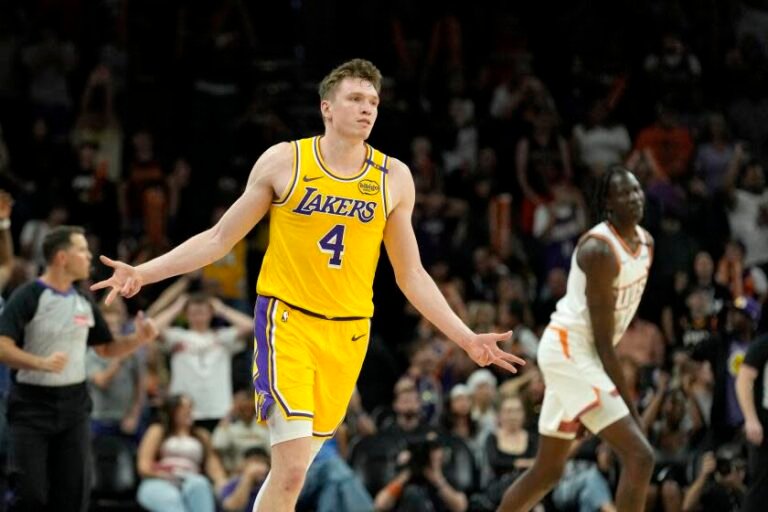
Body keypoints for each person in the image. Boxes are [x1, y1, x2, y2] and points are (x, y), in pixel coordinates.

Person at [91, 58, 525, 512]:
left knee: (295, 471)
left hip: (349, 332)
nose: (367, 109)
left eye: (373, 101)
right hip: (287, 322)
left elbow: (410, 274)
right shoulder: (286, 160)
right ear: (327, 108)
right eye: (355, 99)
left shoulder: (392, 177)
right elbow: (220, 238)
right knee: (294, 466)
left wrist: (466, 338)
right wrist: (144, 273)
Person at [498, 165, 656, 512]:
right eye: (624, 192)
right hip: (571, 351)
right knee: (640, 455)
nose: (635, 197)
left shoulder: (646, 243)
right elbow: (601, 342)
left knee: (548, 471)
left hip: (585, 355)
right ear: (607, 204)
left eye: (636, 189)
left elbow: (614, 330)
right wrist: (632, 409)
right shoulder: (597, 251)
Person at [0, 225, 159, 512]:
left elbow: (106, 349)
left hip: (74, 406)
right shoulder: (28, 296)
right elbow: (2, 345)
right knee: (31, 494)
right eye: (82, 250)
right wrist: (39, 362)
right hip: (31, 406)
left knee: (74, 495)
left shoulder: (84, 301)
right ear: (62, 257)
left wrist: (139, 339)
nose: (89, 256)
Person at [136, 394, 227, 512]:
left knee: (200, 485)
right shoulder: (158, 431)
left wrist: (222, 482)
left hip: (191, 478)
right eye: (183, 409)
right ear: (172, 411)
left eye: (190, 408)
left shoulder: (201, 435)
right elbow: (143, 466)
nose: (188, 412)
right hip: (161, 479)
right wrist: (164, 475)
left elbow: (213, 464)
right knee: (171, 498)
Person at [735, 308, 768, 512]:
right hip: (765, 426)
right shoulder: (764, 343)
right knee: (761, 487)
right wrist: (750, 419)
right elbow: (743, 379)